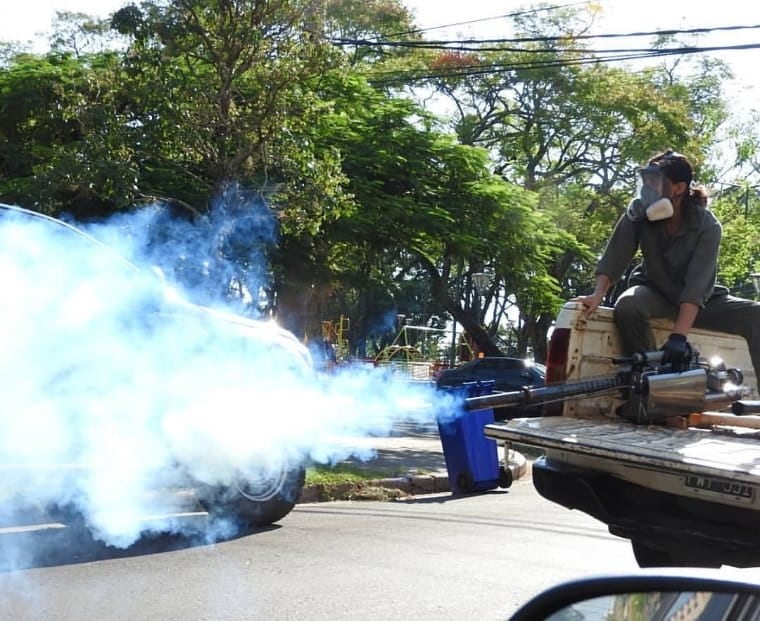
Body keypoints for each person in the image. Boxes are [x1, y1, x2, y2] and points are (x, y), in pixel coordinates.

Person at [574, 148, 760, 387]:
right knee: (628, 305)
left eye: (655, 180)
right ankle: (651, 386)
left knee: (756, 315)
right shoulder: (638, 213)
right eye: (645, 179)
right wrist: (597, 294)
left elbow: (696, 286)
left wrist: (678, 337)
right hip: (655, 293)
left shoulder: (708, 226)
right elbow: (616, 254)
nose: (647, 186)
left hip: (700, 303)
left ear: (679, 188)